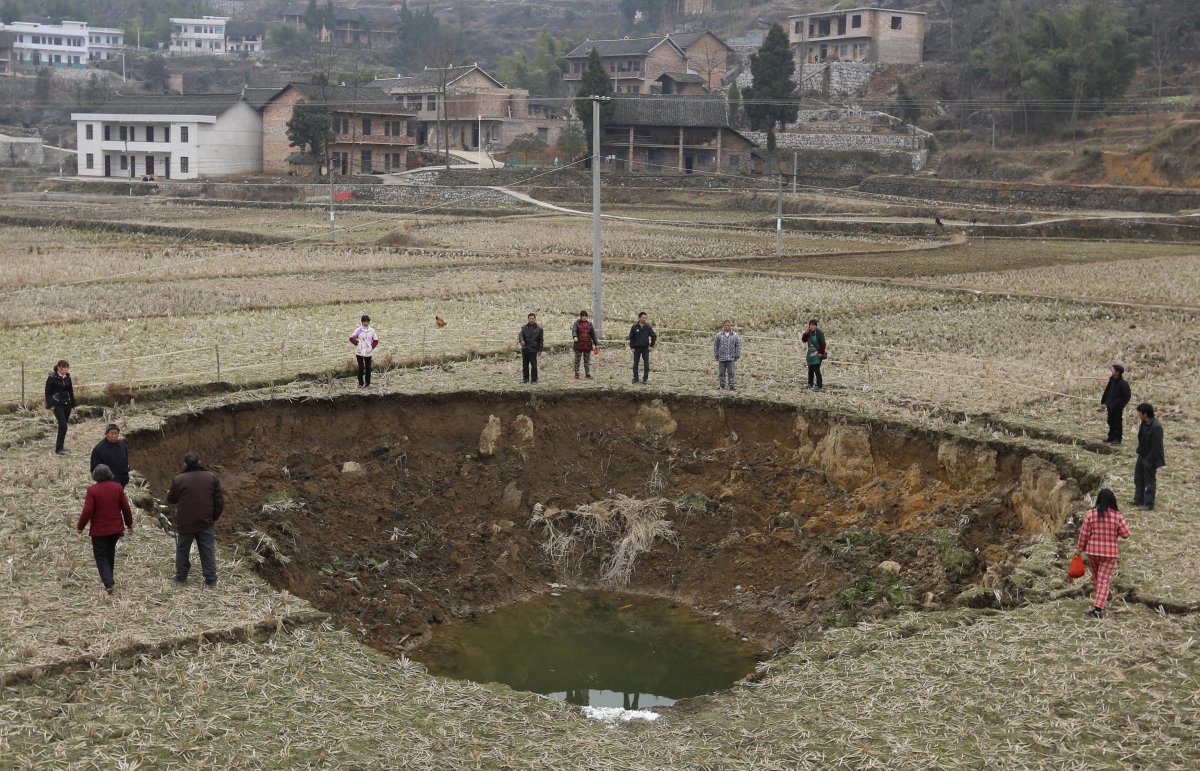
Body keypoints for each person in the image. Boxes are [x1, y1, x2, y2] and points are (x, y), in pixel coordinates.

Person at [167, 451, 224, 587]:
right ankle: (211, 579)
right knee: (207, 550)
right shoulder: (211, 477)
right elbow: (219, 501)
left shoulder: (179, 479)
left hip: (186, 522)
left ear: (185, 464)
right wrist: (213, 517)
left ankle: (181, 577)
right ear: (199, 461)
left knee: (183, 549)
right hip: (205, 521)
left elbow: (171, 499)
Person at [76, 463, 134, 594]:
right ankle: (109, 577)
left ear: (95, 476)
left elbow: (87, 511)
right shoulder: (117, 487)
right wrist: (129, 524)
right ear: (109, 474)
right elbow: (126, 508)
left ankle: (108, 582)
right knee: (110, 552)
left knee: (101, 555)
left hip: (99, 530)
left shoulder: (92, 490)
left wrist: (80, 527)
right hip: (115, 529)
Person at [1074, 488, 1130, 619]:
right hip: (1109, 554)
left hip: (1093, 552)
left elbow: (1084, 534)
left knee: (1096, 577)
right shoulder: (1118, 516)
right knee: (1103, 580)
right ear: (1113, 500)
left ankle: (1099, 598)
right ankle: (1098, 608)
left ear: (1098, 499)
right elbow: (1126, 534)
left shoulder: (1091, 514)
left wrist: (1078, 549)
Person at [1133, 402, 1165, 511]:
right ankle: (1138, 500)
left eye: (1139, 413)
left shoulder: (1156, 427)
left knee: (1149, 482)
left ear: (1145, 414)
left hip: (1150, 458)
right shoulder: (1143, 423)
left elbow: (1157, 447)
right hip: (1141, 455)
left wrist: (1149, 460)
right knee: (1138, 479)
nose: (1138, 414)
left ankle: (1148, 504)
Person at [44, 359, 75, 455]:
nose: (65, 370)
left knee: (63, 426)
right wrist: (50, 405)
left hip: (67, 404)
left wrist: (73, 403)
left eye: (67, 368)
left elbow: (70, 390)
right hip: (57, 404)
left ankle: (61, 446)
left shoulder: (68, 377)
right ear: (58, 368)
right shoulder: (52, 378)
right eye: (63, 369)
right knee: (63, 425)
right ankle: (58, 449)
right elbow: (47, 392)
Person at [1098, 364, 1131, 444]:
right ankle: (1111, 437)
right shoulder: (1112, 380)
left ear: (1117, 372)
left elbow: (1127, 396)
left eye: (1112, 370)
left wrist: (1120, 405)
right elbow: (1107, 391)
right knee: (1110, 421)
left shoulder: (1123, 383)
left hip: (1117, 407)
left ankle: (1117, 438)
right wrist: (1105, 401)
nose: (1111, 371)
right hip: (1110, 405)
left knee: (1117, 422)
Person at [90, 423, 130, 488]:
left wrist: (126, 475)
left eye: (116, 433)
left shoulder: (122, 445)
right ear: (106, 434)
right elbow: (94, 468)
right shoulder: (99, 449)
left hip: (122, 480)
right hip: (107, 483)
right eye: (112, 433)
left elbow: (125, 461)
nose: (114, 436)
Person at [349, 315, 379, 389]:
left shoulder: (372, 330)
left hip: (368, 352)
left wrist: (371, 347)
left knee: (368, 368)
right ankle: (361, 383)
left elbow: (376, 340)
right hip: (359, 352)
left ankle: (368, 383)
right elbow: (351, 338)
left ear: (369, 322)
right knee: (361, 368)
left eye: (367, 321)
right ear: (362, 322)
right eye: (364, 321)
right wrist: (357, 343)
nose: (365, 323)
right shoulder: (358, 330)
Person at [628, 312, 657, 384]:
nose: (645, 319)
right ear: (639, 318)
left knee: (646, 364)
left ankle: (645, 378)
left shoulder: (648, 327)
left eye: (646, 317)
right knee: (635, 364)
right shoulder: (634, 327)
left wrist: (651, 346)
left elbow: (654, 336)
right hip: (636, 348)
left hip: (645, 348)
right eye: (643, 317)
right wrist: (632, 347)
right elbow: (631, 337)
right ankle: (635, 378)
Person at [571, 310, 599, 380]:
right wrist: (575, 336)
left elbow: (593, 335)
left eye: (585, 316)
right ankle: (576, 373)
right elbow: (574, 330)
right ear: (580, 316)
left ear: (587, 316)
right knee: (577, 360)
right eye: (582, 316)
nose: (584, 317)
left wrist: (596, 344)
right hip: (578, 345)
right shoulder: (576, 323)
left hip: (587, 345)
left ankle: (587, 373)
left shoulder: (590, 324)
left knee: (587, 361)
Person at [714, 320, 742, 390]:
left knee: (731, 373)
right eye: (725, 325)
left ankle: (732, 386)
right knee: (721, 373)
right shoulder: (719, 335)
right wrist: (716, 355)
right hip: (722, 357)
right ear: (723, 326)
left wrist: (737, 354)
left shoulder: (735, 335)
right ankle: (722, 385)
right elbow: (716, 345)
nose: (727, 326)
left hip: (731, 357)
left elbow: (738, 345)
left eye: (728, 325)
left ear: (730, 326)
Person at [801, 319, 827, 391]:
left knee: (816, 369)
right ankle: (810, 383)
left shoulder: (819, 333)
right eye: (810, 325)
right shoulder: (808, 332)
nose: (812, 327)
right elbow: (804, 340)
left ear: (816, 326)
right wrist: (805, 333)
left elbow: (823, 344)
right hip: (810, 353)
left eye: (813, 325)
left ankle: (819, 385)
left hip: (817, 354)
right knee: (810, 369)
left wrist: (820, 353)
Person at [518, 312, 544, 384]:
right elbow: (520, 335)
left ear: (535, 319)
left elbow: (541, 340)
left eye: (532, 318)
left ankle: (534, 379)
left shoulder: (539, 329)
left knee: (534, 365)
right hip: (525, 349)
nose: (531, 320)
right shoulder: (524, 327)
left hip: (533, 349)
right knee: (525, 365)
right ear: (528, 319)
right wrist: (522, 341)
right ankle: (525, 379)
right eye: (530, 318)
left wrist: (540, 350)